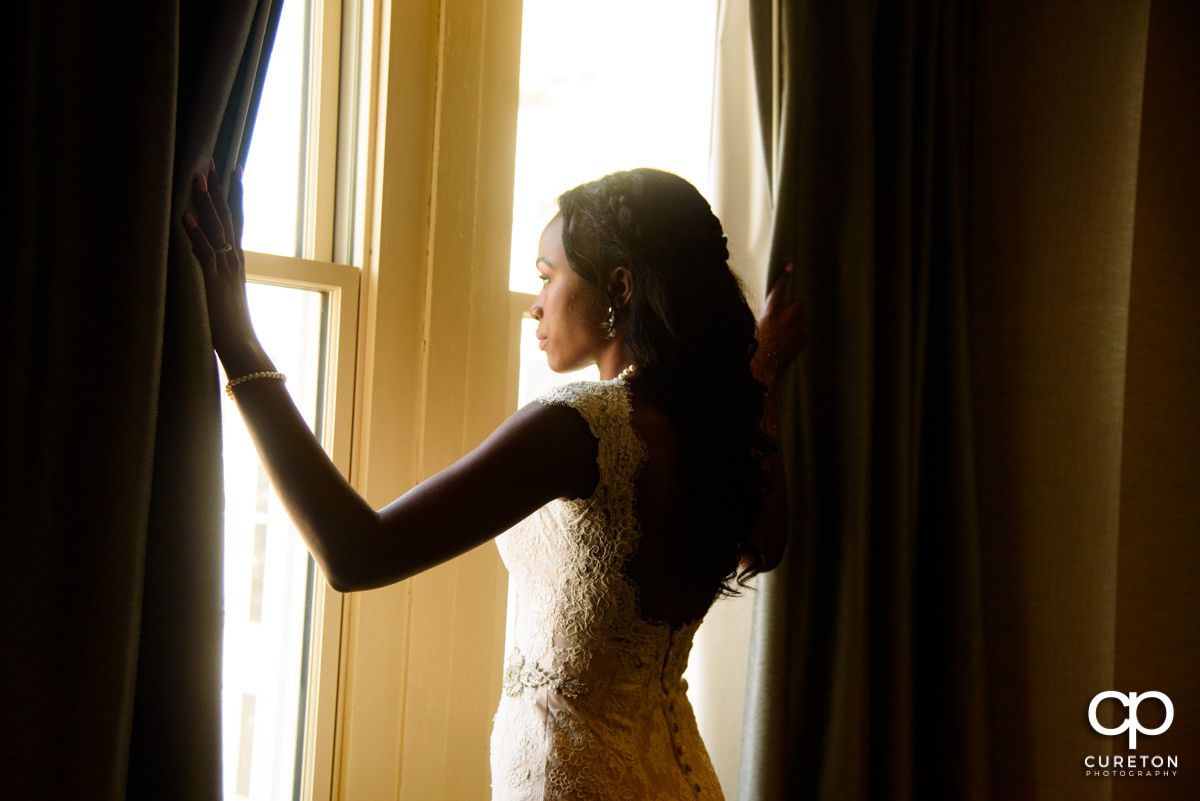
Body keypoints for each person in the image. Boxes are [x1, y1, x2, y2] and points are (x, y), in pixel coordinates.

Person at [184, 164, 805, 800]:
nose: (536, 302)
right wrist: (761, 372)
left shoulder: (580, 427)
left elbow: (357, 553)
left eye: (548, 275)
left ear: (619, 287)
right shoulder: (707, 430)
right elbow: (769, 545)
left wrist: (240, 345)